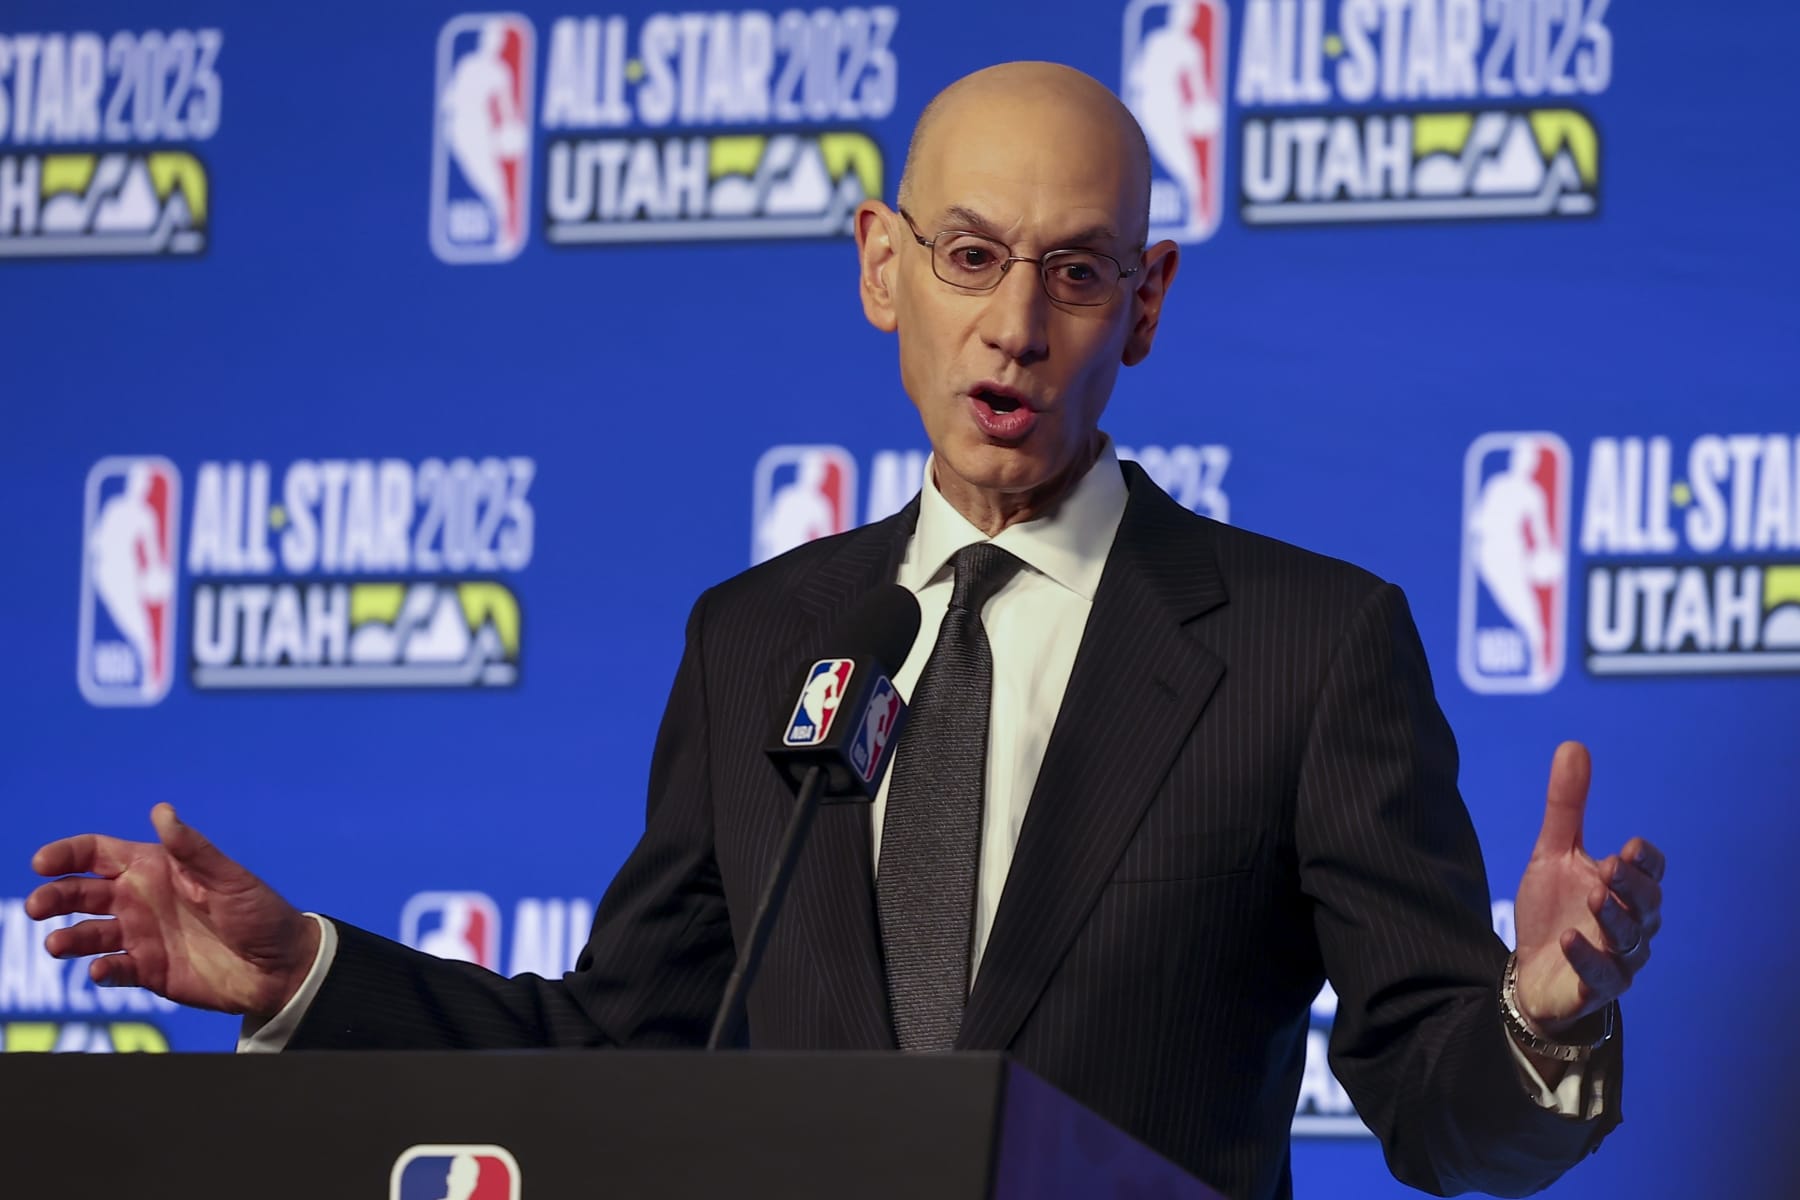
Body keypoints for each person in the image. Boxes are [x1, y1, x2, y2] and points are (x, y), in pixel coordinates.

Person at [28, 63, 1665, 1200]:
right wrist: (307, 970)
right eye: (970, 258)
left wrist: (1543, 1017)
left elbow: (1444, 1120)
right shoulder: (763, 638)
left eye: (1078, 273)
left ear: (1148, 305)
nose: (1015, 325)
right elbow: (630, 1043)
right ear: (887, 268)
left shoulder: (1308, 649)